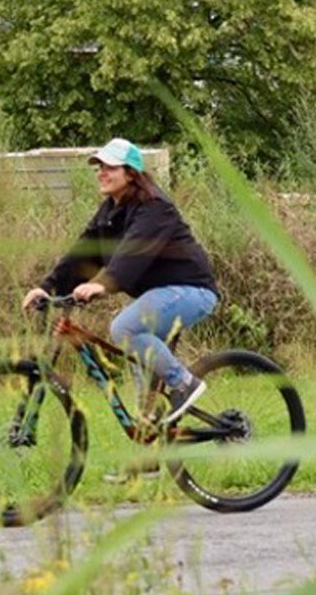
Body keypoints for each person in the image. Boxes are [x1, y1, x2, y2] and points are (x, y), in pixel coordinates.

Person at [25, 137, 219, 433]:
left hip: (190, 291)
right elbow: (81, 255)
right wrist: (47, 288)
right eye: (99, 166)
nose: (101, 172)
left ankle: (183, 383)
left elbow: (133, 253)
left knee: (124, 328)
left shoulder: (155, 207)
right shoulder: (109, 212)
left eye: (110, 166)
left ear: (130, 172)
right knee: (143, 380)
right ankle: (149, 458)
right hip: (159, 297)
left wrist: (103, 284)